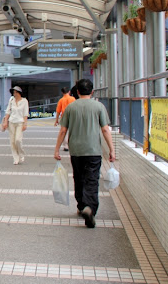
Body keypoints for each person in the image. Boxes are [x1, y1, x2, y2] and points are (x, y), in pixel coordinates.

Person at [53, 79, 115, 229]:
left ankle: (81, 206)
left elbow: (63, 130)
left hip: (76, 150)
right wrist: (112, 149)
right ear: (92, 91)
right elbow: (105, 130)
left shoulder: (71, 108)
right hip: (93, 150)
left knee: (79, 178)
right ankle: (90, 207)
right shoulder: (99, 106)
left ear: (78, 92)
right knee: (92, 180)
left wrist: (56, 149)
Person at [1, 86, 29, 165]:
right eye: (13, 92)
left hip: (20, 122)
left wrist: (25, 124)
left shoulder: (24, 101)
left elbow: (25, 113)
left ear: (19, 93)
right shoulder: (11, 100)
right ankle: (16, 158)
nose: (14, 94)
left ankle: (21, 154)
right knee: (12, 141)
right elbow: (8, 112)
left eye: (15, 92)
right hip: (11, 122)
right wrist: (5, 122)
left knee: (18, 140)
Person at [54, 87, 76, 152]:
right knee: (71, 131)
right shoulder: (72, 99)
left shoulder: (61, 100)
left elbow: (58, 111)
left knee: (63, 131)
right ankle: (70, 145)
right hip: (72, 116)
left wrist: (56, 120)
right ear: (69, 92)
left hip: (64, 117)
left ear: (62, 92)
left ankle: (66, 146)